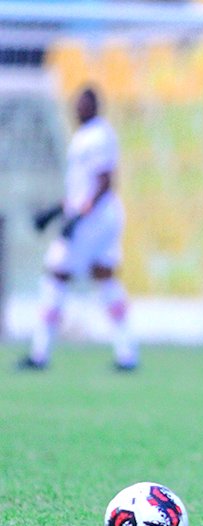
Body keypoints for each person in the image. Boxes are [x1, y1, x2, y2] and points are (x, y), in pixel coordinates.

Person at [19, 86, 138, 371]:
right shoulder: (88, 135)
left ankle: (39, 353)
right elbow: (81, 189)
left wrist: (77, 218)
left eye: (82, 104)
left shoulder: (96, 136)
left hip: (92, 222)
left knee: (55, 274)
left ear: (94, 106)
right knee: (104, 276)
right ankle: (127, 354)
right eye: (76, 104)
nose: (77, 109)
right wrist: (54, 212)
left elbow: (104, 182)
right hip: (99, 219)